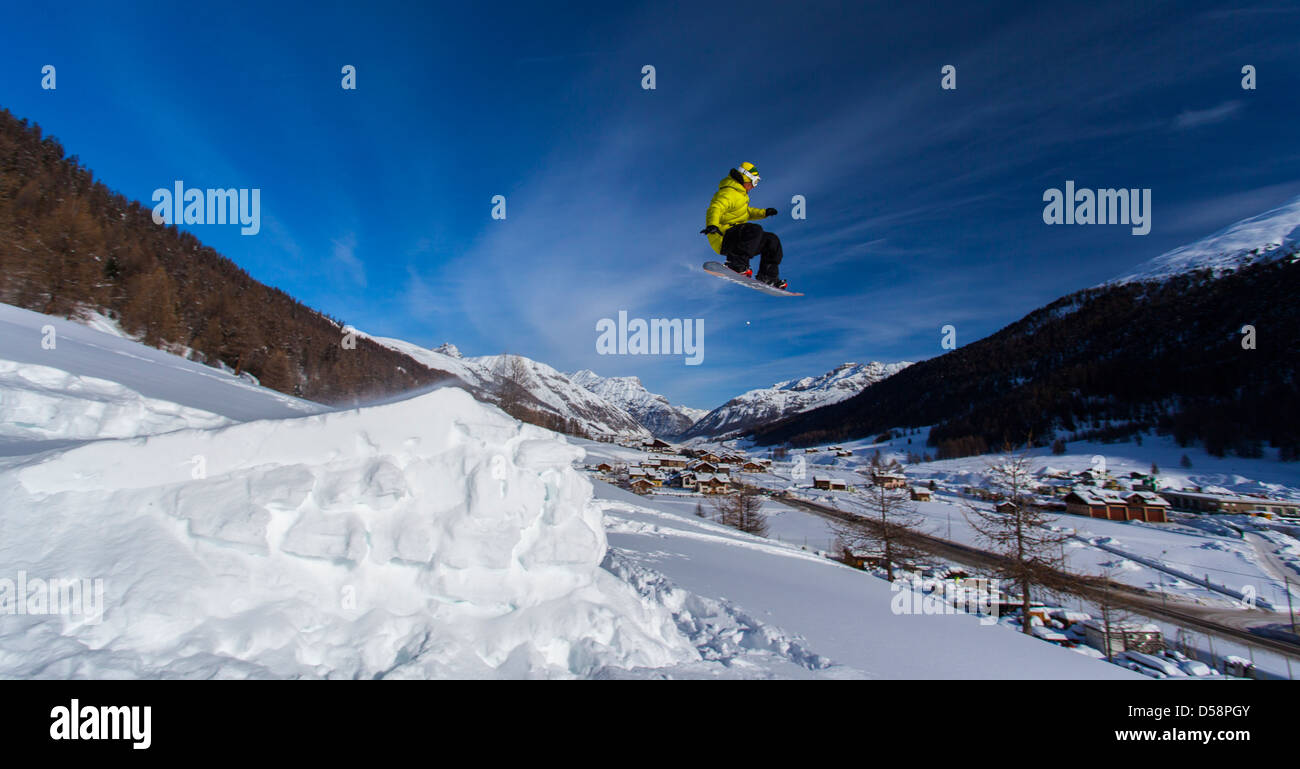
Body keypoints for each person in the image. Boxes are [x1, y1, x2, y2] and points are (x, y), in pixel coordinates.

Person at [700, 162, 787, 290]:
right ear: (746, 178)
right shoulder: (729, 193)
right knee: (754, 229)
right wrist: (712, 224)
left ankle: (768, 276)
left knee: (771, 240)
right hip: (722, 237)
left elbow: (747, 212)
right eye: (754, 182)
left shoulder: (741, 195)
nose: (754, 186)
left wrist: (764, 213)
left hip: (739, 239)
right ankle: (736, 264)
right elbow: (715, 207)